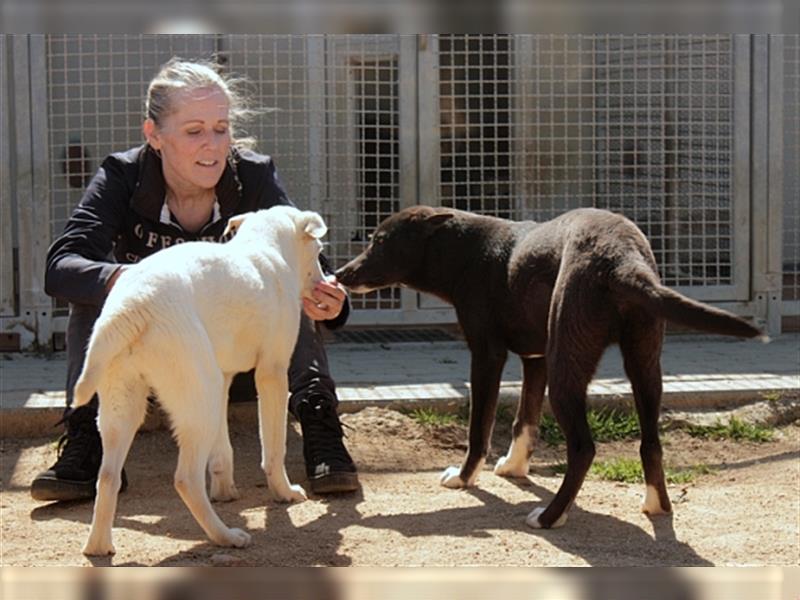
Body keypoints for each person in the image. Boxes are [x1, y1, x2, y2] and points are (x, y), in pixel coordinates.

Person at [30, 58, 359, 502]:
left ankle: (320, 428)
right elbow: (61, 266)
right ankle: (87, 438)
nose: (213, 145)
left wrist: (333, 302)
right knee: (95, 296)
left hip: (238, 360)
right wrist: (133, 282)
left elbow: (307, 264)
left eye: (221, 128)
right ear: (154, 136)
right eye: (193, 131)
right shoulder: (121, 176)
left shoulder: (254, 175)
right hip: (163, 365)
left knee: (283, 291)